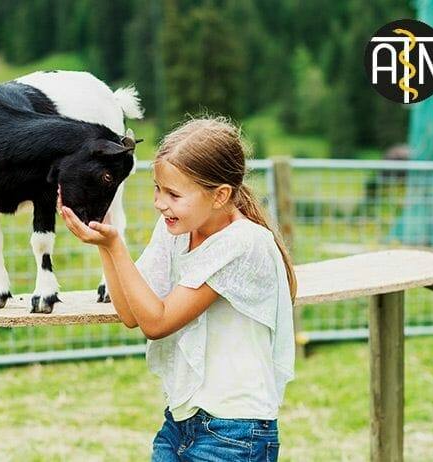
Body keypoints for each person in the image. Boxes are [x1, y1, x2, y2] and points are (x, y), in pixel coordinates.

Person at [59, 116, 296, 461]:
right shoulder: (178, 227)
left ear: (220, 196)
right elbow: (131, 313)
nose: (160, 202)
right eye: (157, 188)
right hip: (180, 421)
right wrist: (104, 241)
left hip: (234, 430)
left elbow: (158, 323)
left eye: (173, 193)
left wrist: (116, 248)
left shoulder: (243, 243)